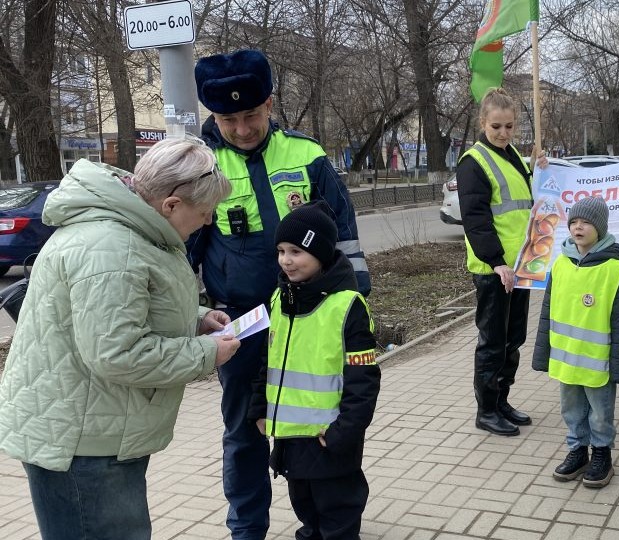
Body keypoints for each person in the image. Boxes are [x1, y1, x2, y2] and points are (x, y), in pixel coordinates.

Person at [0, 137, 240, 539]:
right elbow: (118, 352)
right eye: (205, 212)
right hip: (83, 445)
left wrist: (196, 319)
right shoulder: (114, 247)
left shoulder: (127, 229)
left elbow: (121, 310)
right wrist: (205, 353)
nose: (209, 222)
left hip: (93, 429)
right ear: (172, 205)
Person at [190, 48, 369, 539]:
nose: (243, 128)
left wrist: (357, 306)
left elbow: (344, 236)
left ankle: (327, 519)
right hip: (244, 326)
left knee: (324, 420)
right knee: (246, 430)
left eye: (251, 114)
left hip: (315, 321)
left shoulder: (307, 155)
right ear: (214, 116)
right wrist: (193, 312)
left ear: (269, 104)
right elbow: (184, 249)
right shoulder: (202, 168)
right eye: (229, 119)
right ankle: (247, 528)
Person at [250, 202, 380, 540]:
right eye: (280, 251)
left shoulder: (347, 305)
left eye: (296, 251)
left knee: (338, 511)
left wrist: (344, 432)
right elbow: (269, 360)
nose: (285, 260)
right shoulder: (280, 299)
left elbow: (363, 380)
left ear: (321, 252)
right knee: (306, 506)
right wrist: (259, 410)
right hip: (291, 437)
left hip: (330, 438)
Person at [457, 87, 546, 436]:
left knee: (513, 340)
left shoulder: (513, 159)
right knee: (492, 341)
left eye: (509, 126)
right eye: (496, 126)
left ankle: (502, 400)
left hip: (520, 267)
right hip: (495, 271)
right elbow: (475, 219)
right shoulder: (474, 163)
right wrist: (496, 262)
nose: (503, 133)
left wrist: (538, 169)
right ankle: (486, 410)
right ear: (483, 123)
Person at [532, 196, 619, 488]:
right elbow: (547, 313)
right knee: (571, 410)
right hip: (566, 360)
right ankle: (578, 451)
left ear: (599, 228)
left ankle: (602, 453)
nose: (578, 227)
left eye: (586, 222)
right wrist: (542, 355)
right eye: (574, 221)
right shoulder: (560, 265)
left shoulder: (615, 270)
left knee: (601, 414)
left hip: (598, 364)